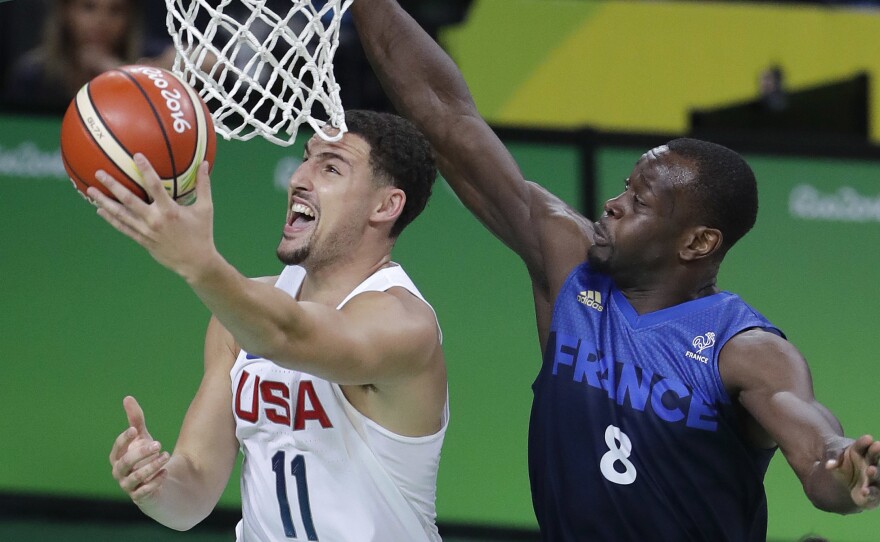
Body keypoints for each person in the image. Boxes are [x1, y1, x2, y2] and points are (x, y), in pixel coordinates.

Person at [349, 2, 880, 540]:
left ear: (698, 242)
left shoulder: (743, 349)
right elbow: (446, 119)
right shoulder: (567, 263)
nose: (612, 204)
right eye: (625, 187)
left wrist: (847, 469)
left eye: (640, 202)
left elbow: (819, 455)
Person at [98, 109, 448, 541]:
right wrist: (155, 485)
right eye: (306, 157)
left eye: (331, 167)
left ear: (385, 205)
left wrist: (199, 263)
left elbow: (288, 335)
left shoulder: (404, 324)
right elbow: (193, 493)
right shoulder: (239, 318)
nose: (300, 177)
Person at [3, 0, 174, 114]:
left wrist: (117, 70)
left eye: (115, 11)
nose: (101, 21)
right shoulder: (32, 74)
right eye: (88, 7)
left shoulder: (144, 57)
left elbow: (197, 59)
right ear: (66, 11)